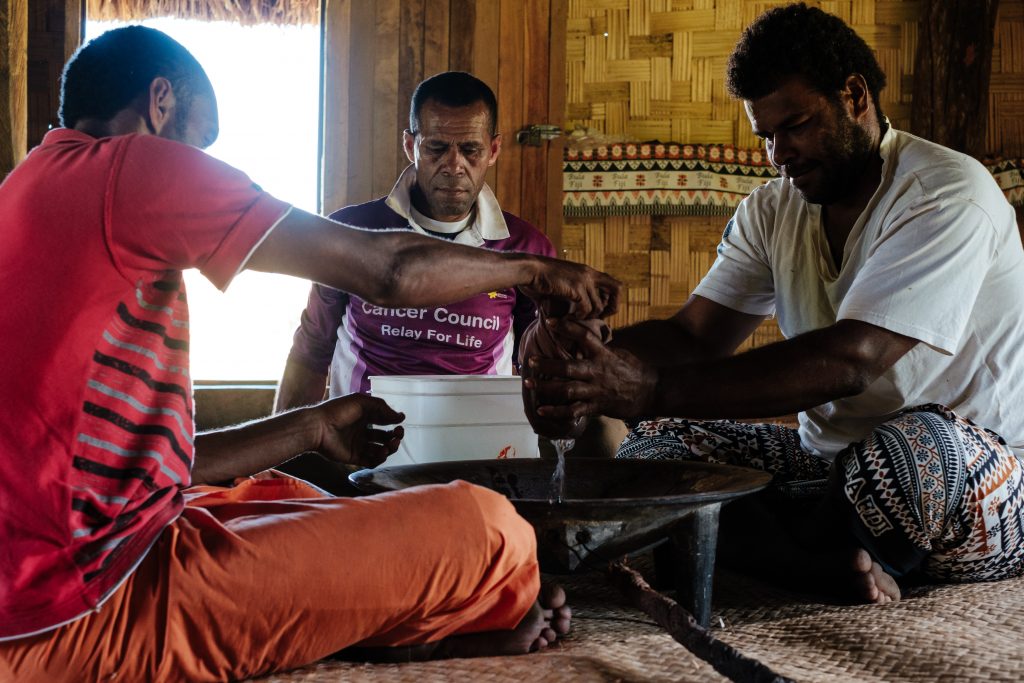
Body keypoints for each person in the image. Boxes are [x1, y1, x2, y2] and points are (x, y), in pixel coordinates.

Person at [0, 26, 621, 682]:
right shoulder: (132, 166)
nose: (197, 162)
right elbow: (387, 271)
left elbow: (161, 471)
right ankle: (450, 616)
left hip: (49, 579)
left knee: (286, 495)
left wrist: (313, 426)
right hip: (89, 600)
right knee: (490, 527)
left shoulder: (22, 191)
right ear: (160, 102)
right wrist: (535, 272)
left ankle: (402, 630)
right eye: (198, 141)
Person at [525, 2, 1024, 605]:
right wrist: (585, 365)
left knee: (916, 453)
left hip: (975, 474)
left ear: (855, 95)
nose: (779, 153)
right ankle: (823, 565)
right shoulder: (773, 209)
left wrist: (646, 388)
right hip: (825, 470)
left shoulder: (945, 193)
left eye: (797, 126)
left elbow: (853, 359)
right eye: (766, 136)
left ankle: (773, 554)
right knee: (657, 447)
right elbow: (694, 339)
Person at [275, 72, 555, 488]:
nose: (454, 165)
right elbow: (312, 348)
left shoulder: (525, 248)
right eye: (437, 148)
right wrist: (278, 465)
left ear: (494, 149)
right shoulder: (353, 233)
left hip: (481, 462)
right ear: (411, 145)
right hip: (363, 459)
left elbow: (542, 365)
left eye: (471, 150)